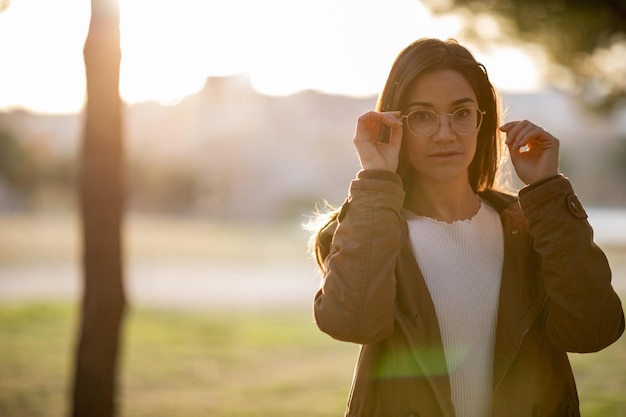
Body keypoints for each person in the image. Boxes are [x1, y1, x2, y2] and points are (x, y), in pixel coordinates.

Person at [308, 38, 624, 417]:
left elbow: (593, 331)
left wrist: (547, 190)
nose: (445, 134)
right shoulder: (368, 228)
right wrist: (376, 176)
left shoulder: (532, 229)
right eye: (423, 116)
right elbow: (351, 323)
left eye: (461, 113)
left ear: (481, 120)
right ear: (395, 124)